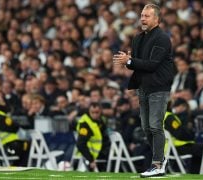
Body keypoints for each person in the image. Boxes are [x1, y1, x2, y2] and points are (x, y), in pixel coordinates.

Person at [113, 3, 175, 178]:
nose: (142, 18)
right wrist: (128, 62)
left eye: (147, 16)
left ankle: (157, 164)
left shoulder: (162, 38)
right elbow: (138, 63)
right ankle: (160, 159)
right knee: (147, 127)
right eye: (142, 15)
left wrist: (130, 61)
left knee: (155, 126)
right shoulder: (138, 38)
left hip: (158, 87)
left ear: (157, 19)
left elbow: (152, 64)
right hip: (143, 87)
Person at [75, 102, 110, 172]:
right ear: (89, 111)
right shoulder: (85, 124)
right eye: (92, 112)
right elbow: (80, 144)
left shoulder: (102, 120)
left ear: (100, 111)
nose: (95, 115)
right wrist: (91, 160)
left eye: (97, 112)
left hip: (103, 150)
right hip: (93, 154)